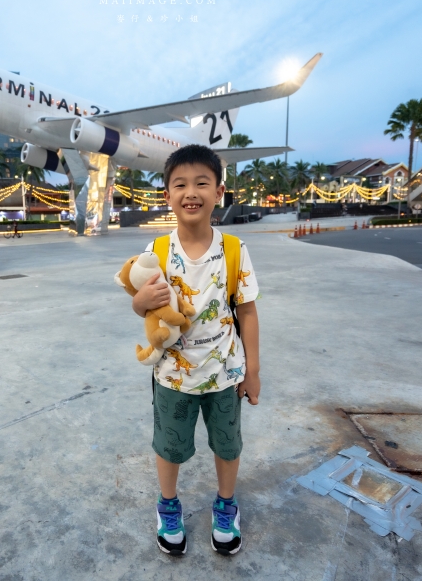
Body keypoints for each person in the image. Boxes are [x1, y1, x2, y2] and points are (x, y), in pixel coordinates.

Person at [130, 144, 261, 557]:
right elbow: (141, 306)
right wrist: (138, 303)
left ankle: (226, 505)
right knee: (170, 446)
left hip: (225, 374)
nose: (191, 191)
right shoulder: (158, 252)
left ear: (219, 192)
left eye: (202, 182)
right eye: (180, 184)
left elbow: (248, 312)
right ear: (167, 195)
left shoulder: (235, 249)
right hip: (172, 376)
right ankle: (168, 506)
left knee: (228, 443)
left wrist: (252, 370)